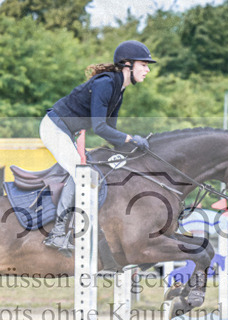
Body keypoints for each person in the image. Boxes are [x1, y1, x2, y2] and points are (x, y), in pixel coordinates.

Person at [39, 40, 157, 253]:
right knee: (81, 174)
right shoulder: (106, 84)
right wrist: (131, 138)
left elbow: (112, 132)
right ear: (127, 65)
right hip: (54, 128)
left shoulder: (118, 90)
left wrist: (133, 149)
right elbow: (100, 128)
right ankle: (57, 233)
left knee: (96, 170)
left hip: (66, 131)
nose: (148, 69)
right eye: (143, 64)